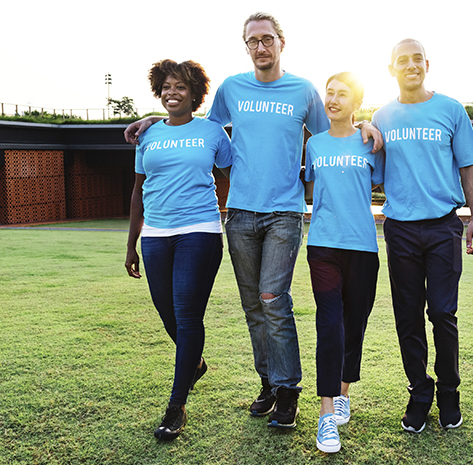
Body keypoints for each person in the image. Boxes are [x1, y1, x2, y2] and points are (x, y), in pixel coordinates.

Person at [124, 12, 382, 429]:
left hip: (284, 212)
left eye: (267, 39)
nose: (260, 47)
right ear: (246, 46)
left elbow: (334, 130)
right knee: (251, 306)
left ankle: (288, 390)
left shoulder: (303, 91)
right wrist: (155, 121)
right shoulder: (231, 89)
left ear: (282, 42)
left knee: (271, 299)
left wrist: (367, 121)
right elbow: (199, 130)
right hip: (240, 214)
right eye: (252, 41)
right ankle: (268, 382)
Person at [371, 39, 473, 433]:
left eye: (416, 58)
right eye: (401, 61)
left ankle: (449, 392)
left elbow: (470, 166)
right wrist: (362, 129)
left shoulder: (450, 109)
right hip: (400, 229)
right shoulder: (382, 116)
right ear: (392, 69)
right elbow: (369, 166)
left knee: (441, 312)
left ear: (427, 64)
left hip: (442, 226)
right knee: (407, 317)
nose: (410, 65)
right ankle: (420, 393)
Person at [124, 59, 232, 440]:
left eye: (181, 87)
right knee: (167, 312)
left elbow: (233, 173)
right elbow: (138, 190)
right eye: (166, 86)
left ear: (195, 93)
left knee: (186, 316)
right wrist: (131, 244)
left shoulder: (213, 132)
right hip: (155, 234)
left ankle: (176, 405)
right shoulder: (148, 135)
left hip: (199, 231)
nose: (172, 92)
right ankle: (195, 363)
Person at [303, 72, 384, 453]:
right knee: (329, 323)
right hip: (323, 245)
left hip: (363, 247)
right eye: (329, 93)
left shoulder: (371, 142)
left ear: (356, 103)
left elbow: (384, 183)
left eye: (342, 94)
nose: (333, 99)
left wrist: (369, 126)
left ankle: (343, 393)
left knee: (355, 324)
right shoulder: (314, 145)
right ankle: (324, 416)